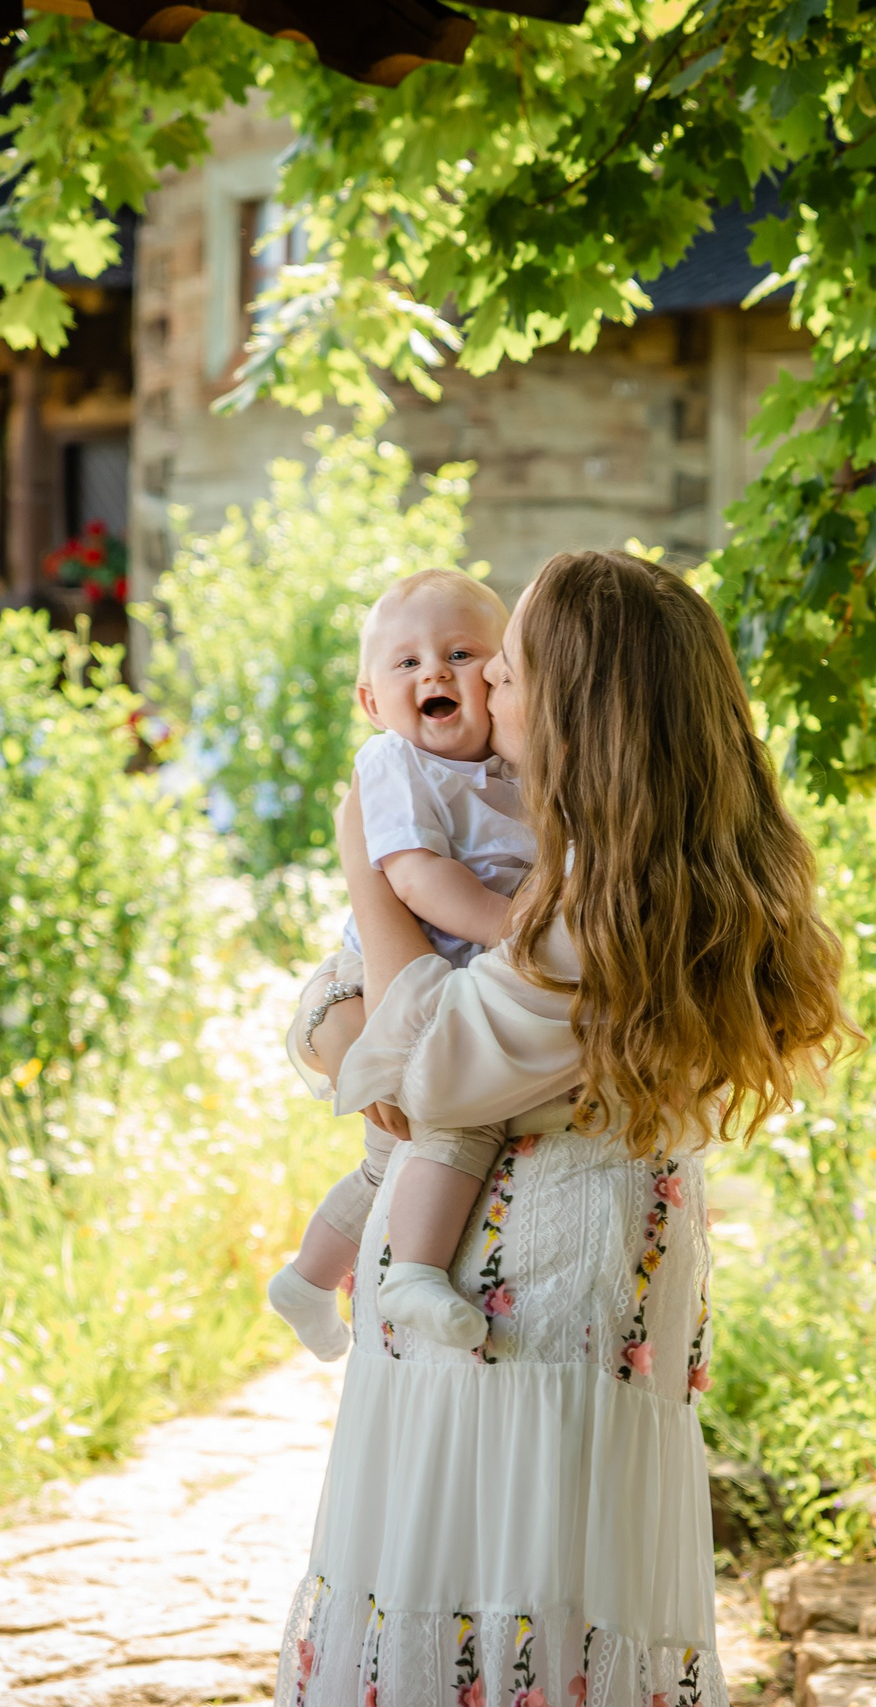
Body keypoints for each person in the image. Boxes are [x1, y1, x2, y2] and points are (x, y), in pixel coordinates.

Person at [276, 549, 850, 1707]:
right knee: (507, 1612)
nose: (485, 672)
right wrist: (338, 1018)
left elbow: (423, 1066)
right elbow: (355, 1032)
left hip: (525, 1315)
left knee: (514, 1611)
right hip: (532, 1308)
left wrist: (368, 867)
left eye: (514, 658)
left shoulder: (601, 906)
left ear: (578, 709)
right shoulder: (614, 873)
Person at [269, 568, 544, 1360]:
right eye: (408, 662)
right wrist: (511, 927)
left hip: (444, 972)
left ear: (499, 677)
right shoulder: (395, 765)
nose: (435, 672)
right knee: (456, 1117)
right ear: (372, 702)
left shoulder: (507, 770)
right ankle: (415, 1275)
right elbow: (417, 875)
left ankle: (310, 1279)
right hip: (378, 975)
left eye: (462, 653)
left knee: (392, 1153)